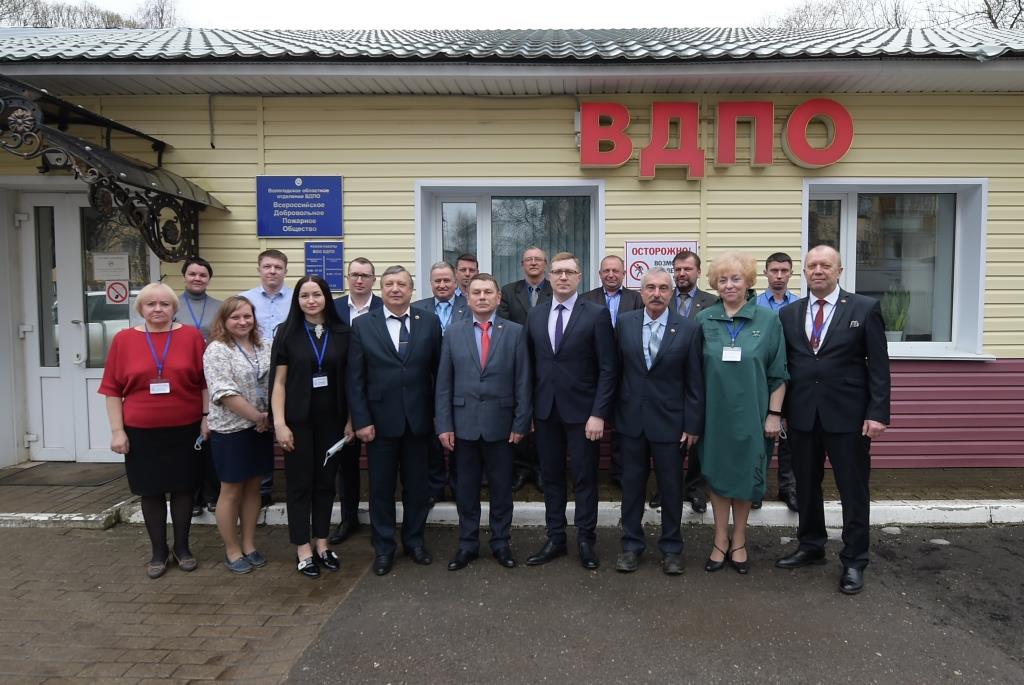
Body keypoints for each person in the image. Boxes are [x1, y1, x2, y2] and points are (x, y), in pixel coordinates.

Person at [776, 245, 891, 595]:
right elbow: (786, 366)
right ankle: (811, 545)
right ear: (804, 272)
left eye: (826, 265)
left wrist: (877, 413)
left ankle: (854, 559)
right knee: (806, 486)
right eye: (812, 265)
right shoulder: (789, 313)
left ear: (839, 271)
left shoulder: (864, 308)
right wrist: (781, 413)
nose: (818, 270)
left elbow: (879, 366)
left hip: (849, 417)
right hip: (802, 416)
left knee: (852, 490)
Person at [99, 283, 208, 579]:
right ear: (141, 308)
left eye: (164, 304)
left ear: (174, 308)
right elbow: (112, 390)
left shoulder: (191, 337)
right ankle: (158, 551)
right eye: (151, 304)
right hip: (141, 431)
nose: (158, 309)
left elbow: (204, 383)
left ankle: (182, 548)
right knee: (151, 491)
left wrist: (206, 417)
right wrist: (117, 431)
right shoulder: (123, 340)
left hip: (185, 429)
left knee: (184, 489)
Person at [696, 252, 788, 575]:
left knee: (746, 478)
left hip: (753, 415)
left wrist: (774, 414)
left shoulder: (768, 320)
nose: (729, 285)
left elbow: (779, 373)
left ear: (749, 281)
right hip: (713, 417)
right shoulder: (703, 320)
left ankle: (739, 540)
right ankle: (719, 540)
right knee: (718, 476)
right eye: (722, 279)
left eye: (736, 278)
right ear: (715, 284)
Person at [348, 265, 443, 577]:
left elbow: (439, 373)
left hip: (419, 421)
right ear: (381, 288)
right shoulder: (363, 325)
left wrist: (439, 416)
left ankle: (414, 542)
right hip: (379, 424)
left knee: (417, 488)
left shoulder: (429, 322)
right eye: (389, 284)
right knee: (381, 489)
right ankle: (384, 548)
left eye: (401, 284)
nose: (395, 289)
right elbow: (355, 379)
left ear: (411, 290)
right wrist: (361, 420)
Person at [525, 252, 617, 571]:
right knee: (551, 477)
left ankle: (586, 540)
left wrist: (599, 413)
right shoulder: (536, 315)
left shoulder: (596, 314)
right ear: (549, 277)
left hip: (584, 414)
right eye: (558, 272)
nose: (563, 277)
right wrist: (529, 413)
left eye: (569, 272)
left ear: (579, 277)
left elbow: (608, 368)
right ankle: (555, 538)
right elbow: (529, 367)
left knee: (584, 478)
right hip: (545, 412)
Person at [436, 273, 531, 571]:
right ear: (467, 297)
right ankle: (468, 544)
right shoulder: (453, 332)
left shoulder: (515, 332)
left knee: (501, 490)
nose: (481, 297)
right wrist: (444, 424)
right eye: (476, 292)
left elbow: (523, 380)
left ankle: (501, 543)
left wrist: (520, 422)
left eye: (488, 292)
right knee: (466, 491)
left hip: (501, 426)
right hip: (463, 425)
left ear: (498, 297)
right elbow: (443, 383)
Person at [613, 267, 704, 576]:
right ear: (641, 292)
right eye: (650, 288)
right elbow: (615, 371)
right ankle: (631, 546)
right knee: (632, 488)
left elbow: (695, 381)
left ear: (671, 293)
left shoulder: (689, 329)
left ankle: (672, 549)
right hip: (631, 421)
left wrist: (692, 424)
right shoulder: (624, 323)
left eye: (663, 288)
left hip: (671, 423)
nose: (656, 293)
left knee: (671, 489)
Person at [270, 276, 352, 579]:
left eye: (316, 294)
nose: (311, 301)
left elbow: (351, 380)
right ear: (297, 301)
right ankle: (303, 548)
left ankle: (322, 543)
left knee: (325, 484)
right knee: (300, 485)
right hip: (297, 422)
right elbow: (279, 383)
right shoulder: (286, 333)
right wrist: (280, 423)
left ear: (326, 297)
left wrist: (351, 419)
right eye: (304, 296)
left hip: (333, 422)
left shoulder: (343, 333)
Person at [203, 296, 274, 574]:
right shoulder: (217, 350)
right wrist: (258, 417)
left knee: (254, 487)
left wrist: (266, 418)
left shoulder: (264, 346)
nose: (243, 322)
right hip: (231, 430)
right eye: (235, 317)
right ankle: (232, 550)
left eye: (247, 316)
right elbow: (224, 392)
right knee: (231, 490)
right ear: (224, 320)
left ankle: (249, 544)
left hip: (260, 429)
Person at [327, 257, 382, 546]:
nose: (359, 280)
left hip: (378, 395)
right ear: (348, 278)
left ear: (374, 279)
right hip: (340, 396)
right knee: (346, 463)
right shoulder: (332, 309)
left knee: (381, 463)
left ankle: (380, 519)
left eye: (365, 275)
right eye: (355, 275)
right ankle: (348, 518)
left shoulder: (384, 306)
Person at [581, 254, 643, 488]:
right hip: (594, 370)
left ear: (624, 274)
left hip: (627, 369)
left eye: (615, 271)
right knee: (592, 420)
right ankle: (589, 473)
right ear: (599, 274)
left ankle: (619, 472)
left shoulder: (636, 299)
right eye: (606, 271)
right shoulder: (587, 299)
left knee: (621, 423)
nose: (611, 275)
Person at [412, 261, 470, 504]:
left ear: (456, 282)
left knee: (460, 436)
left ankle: (458, 486)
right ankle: (435, 486)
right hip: (426, 381)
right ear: (431, 283)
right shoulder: (417, 308)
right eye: (438, 281)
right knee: (431, 437)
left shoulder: (469, 305)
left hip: (462, 381)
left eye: (447, 280)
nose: (443, 284)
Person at [666, 250, 718, 514]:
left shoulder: (713, 302)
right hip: (669, 381)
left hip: (701, 378)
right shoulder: (662, 297)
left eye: (687, 269)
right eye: (677, 269)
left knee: (698, 437)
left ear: (698, 272)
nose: (682, 274)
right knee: (668, 439)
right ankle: (667, 488)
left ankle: (696, 488)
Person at [240, 249, 292, 509]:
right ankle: (262, 487)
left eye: (278, 267)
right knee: (259, 424)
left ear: (285, 270)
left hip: (289, 370)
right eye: (268, 266)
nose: (272, 271)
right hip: (255, 371)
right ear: (259, 269)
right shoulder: (244, 300)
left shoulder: (296, 298)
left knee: (286, 420)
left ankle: (290, 483)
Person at [498, 246, 552, 493]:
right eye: (528, 259)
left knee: (543, 418)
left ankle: (541, 470)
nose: (533, 263)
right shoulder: (509, 291)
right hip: (515, 361)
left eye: (538, 259)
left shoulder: (555, 290)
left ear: (545, 264)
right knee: (518, 414)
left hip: (546, 363)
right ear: (522, 265)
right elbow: (504, 324)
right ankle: (520, 469)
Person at [754, 252, 801, 512]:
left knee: (790, 437)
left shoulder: (801, 306)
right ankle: (756, 487)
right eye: (774, 271)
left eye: (784, 271)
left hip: (795, 377)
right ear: (766, 273)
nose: (779, 276)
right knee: (761, 435)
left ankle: (788, 488)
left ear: (791, 273)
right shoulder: (754, 305)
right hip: (764, 378)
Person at [179, 257, 223, 518]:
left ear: (209, 278)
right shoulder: (173, 306)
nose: (197, 278)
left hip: (213, 376)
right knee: (189, 438)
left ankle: (211, 493)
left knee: (212, 437)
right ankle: (192, 495)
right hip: (185, 378)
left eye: (202, 274)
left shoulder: (219, 307)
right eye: (192, 274)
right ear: (184, 276)